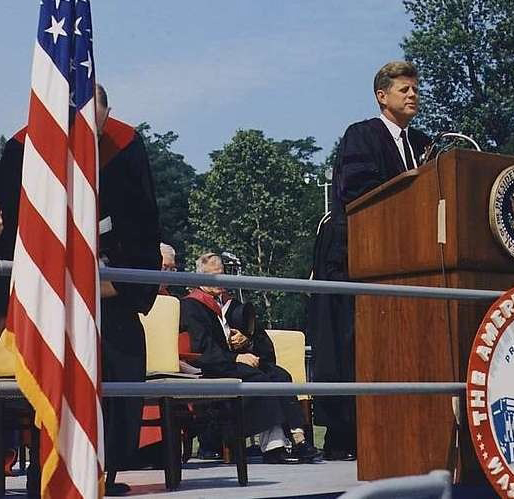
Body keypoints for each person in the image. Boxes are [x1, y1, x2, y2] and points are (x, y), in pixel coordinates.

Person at [0, 84, 161, 495]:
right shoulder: (22, 149)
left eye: (96, 122)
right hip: (45, 294)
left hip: (109, 289)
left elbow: (144, 227)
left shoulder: (124, 146)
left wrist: (118, 285)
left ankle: (107, 470)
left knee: (122, 366)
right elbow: (14, 231)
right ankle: (42, 469)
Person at [307, 60, 432, 461]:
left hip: (405, 260)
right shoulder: (362, 135)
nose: (412, 94)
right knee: (350, 346)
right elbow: (358, 191)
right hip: (354, 255)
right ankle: (347, 434)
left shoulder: (422, 143)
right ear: (382, 95)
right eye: (404, 89)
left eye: (415, 88)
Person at [180, 253, 322, 464]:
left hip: (238, 363)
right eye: (213, 276)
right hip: (213, 367)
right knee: (261, 381)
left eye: (222, 275)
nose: (221, 281)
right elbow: (201, 348)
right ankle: (273, 447)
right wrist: (235, 359)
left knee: (280, 375)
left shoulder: (234, 305)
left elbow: (264, 344)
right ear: (200, 279)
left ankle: (298, 438)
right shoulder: (192, 306)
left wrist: (247, 341)